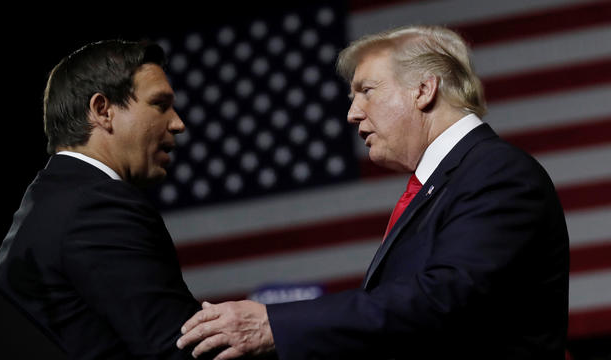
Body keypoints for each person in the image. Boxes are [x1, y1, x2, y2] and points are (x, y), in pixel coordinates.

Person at [175, 25, 570, 360]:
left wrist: (273, 324)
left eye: (367, 90)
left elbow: (442, 300)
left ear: (423, 90)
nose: (352, 113)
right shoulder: (447, 182)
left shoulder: (495, 172)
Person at [0, 40, 201, 359]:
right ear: (103, 110)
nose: (177, 123)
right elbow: (180, 349)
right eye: (160, 104)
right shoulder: (98, 205)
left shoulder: (51, 199)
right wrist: (278, 334)